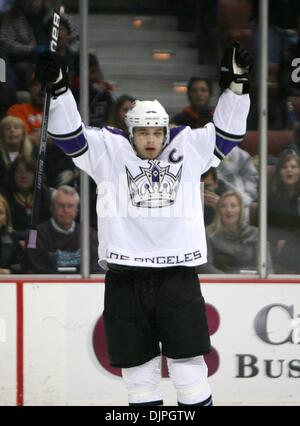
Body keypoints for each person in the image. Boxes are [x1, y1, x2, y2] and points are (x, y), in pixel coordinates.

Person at [34, 42, 252, 406]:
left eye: (156, 132)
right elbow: (69, 135)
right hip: (125, 276)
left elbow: (227, 135)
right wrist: (59, 90)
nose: (150, 140)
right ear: (130, 131)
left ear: (165, 131)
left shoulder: (187, 145)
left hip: (177, 276)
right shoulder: (108, 149)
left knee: (189, 374)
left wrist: (238, 88)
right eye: (143, 133)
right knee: (139, 379)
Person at [25, 186, 101, 274]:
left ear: (77, 209)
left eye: (70, 206)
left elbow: (97, 268)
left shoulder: (89, 234)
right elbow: (34, 268)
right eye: (61, 205)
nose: (66, 210)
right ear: (52, 207)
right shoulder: (34, 235)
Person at [199, 190, 271, 274]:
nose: (228, 210)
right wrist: (228, 281)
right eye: (223, 206)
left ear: (240, 210)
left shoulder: (255, 233)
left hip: (252, 283)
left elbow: (267, 267)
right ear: (219, 211)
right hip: (221, 283)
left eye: (233, 206)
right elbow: (205, 267)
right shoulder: (209, 234)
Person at [3, 154, 51, 241]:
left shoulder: (44, 194)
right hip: (13, 243)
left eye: (28, 171)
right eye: (19, 171)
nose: (23, 176)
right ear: (13, 174)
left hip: (41, 242)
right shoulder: (5, 196)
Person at [0, 115, 34, 189]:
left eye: (16, 127)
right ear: (2, 135)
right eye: (7, 128)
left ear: (23, 134)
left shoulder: (34, 154)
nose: (12, 130)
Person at [0, 194, 24, 274]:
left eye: (0, 213)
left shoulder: (12, 237)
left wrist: (10, 271)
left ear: (6, 217)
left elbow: (21, 265)